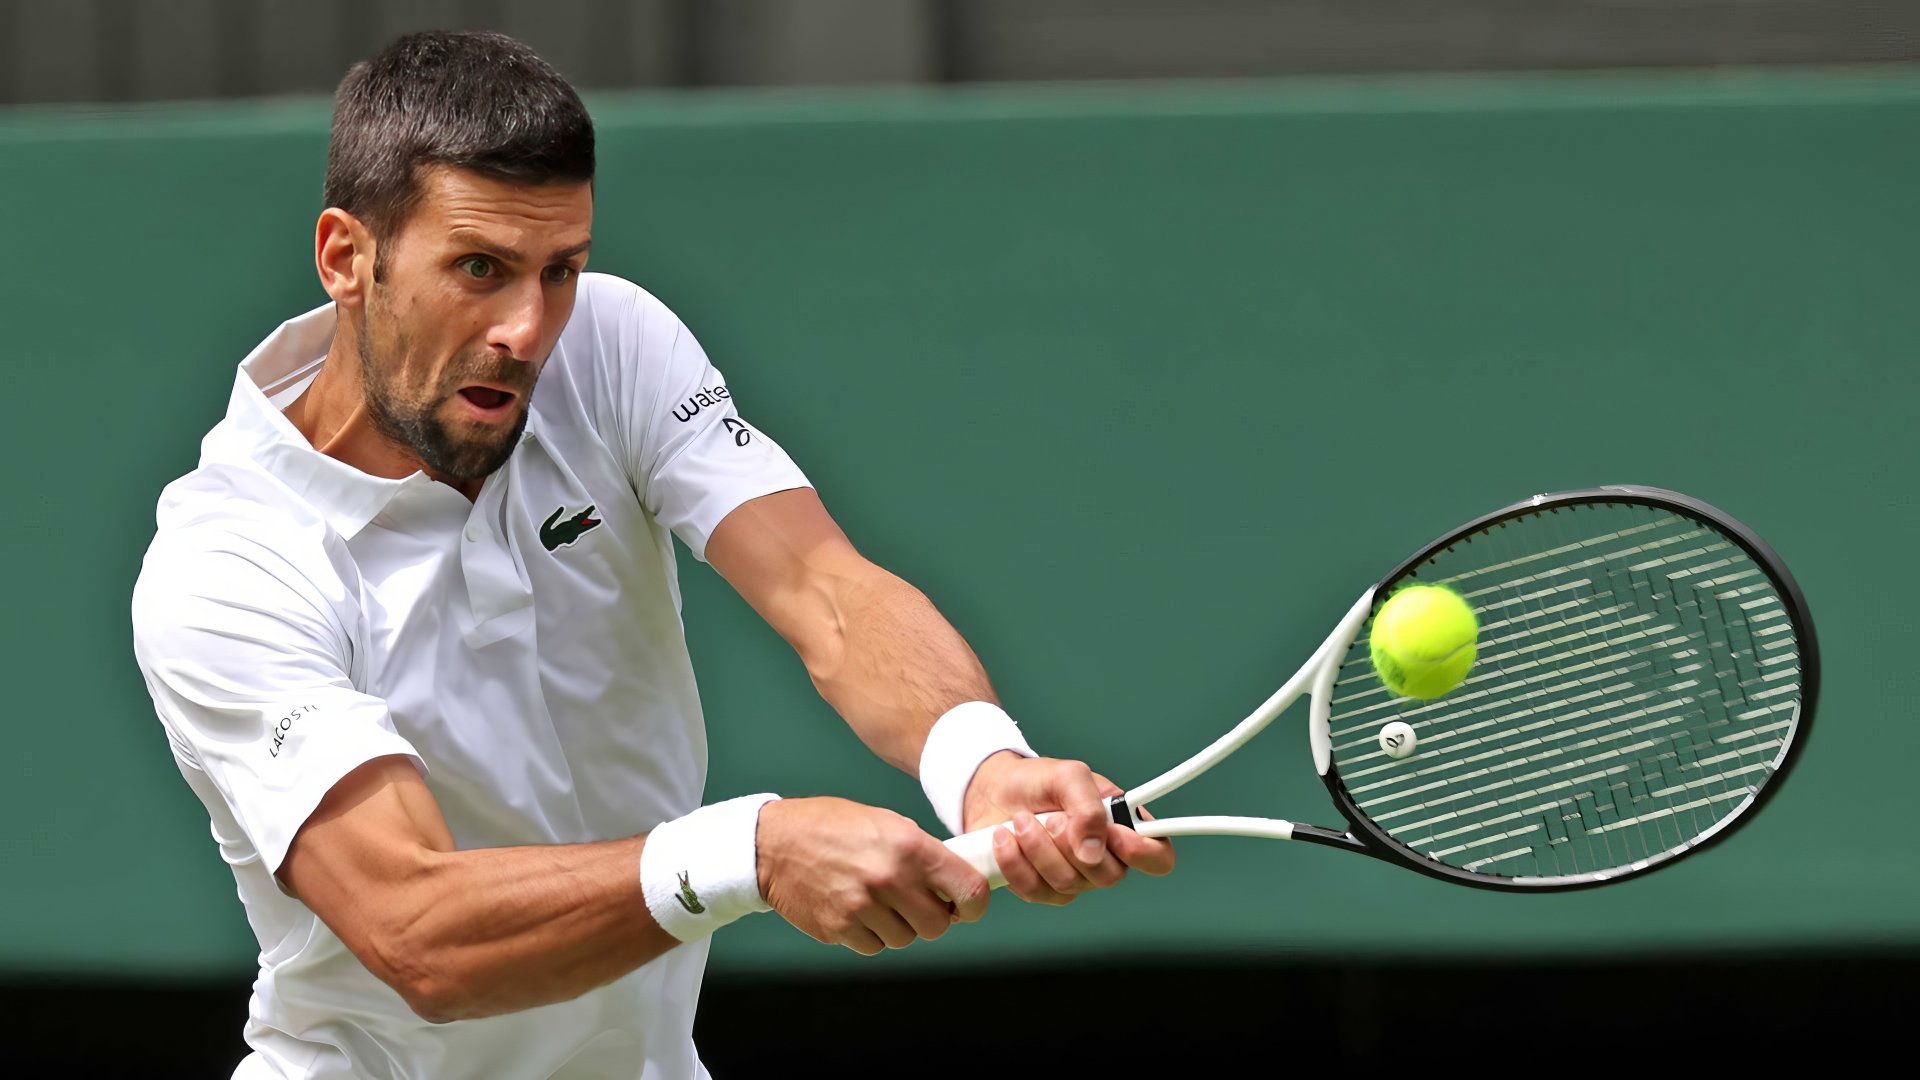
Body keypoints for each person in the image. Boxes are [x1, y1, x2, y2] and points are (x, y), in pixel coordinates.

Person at [128, 28, 1174, 1080]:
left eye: (561, 270)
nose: (526, 330)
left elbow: (824, 588)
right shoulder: (228, 567)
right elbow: (415, 928)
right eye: (478, 269)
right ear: (348, 258)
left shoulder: (612, 346)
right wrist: (750, 852)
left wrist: (982, 765)